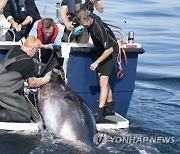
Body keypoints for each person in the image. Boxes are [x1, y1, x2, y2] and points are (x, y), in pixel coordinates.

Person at [77, 9, 119, 123]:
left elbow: (109, 49)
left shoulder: (98, 29)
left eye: (84, 24)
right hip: (101, 51)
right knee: (103, 80)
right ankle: (110, 107)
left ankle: (100, 113)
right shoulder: (90, 18)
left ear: (90, 20)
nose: (83, 25)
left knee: (103, 82)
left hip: (110, 52)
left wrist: (96, 62)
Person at [0, 36, 51, 123]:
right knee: (24, 115)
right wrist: (45, 80)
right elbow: (32, 83)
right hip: (6, 92)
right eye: (36, 50)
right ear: (32, 48)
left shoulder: (14, 49)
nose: (36, 53)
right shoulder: (28, 62)